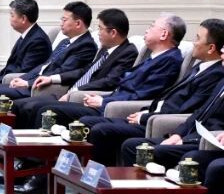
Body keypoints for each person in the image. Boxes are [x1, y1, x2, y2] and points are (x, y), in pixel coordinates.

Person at [75, 19, 224, 165]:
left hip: (165, 123)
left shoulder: (214, 73)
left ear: (211, 48)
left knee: (105, 132)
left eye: (197, 38)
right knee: (90, 123)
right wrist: (146, 113)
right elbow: (196, 110)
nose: (193, 43)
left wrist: (147, 118)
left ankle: (105, 176)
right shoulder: (200, 68)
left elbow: (188, 108)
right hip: (155, 116)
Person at [14, 13, 183, 131]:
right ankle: (23, 158)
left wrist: (104, 101)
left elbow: (141, 93)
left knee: (48, 110)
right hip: (104, 101)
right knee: (30, 105)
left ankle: (37, 164)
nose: (147, 30)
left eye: (152, 26)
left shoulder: (169, 60)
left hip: (113, 108)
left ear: (164, 34)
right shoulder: (153, 57)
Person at [0, 1, 99, 103]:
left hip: (44, 88)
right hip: (34, 83)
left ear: (78, 23)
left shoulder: (86, 46)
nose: (61, 23)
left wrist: (28, 83)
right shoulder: (64, 42)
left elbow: (62, 71)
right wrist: (24, 78)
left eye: (64, 20)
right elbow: (44, 66)